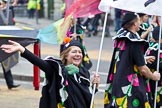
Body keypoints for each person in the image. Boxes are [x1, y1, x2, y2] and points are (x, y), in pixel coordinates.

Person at [0, 39, 100, 108]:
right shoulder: (57, 70)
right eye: (74, 52)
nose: (78, 54)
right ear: (65, 56)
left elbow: (84, 95)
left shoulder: (84, 73)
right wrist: (22, 50)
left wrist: (94, 87)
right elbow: (40, 63)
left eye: (80, 52)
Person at [104, 12, 160, 108]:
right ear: (134, 24)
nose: (140, 23)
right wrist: (154, 76)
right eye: (139, 21)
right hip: (131, 88)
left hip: (117, 83)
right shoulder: (135, 42)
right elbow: (142, 69)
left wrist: (143, 58)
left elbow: (125, 57)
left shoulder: (121, 37)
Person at [0, 0, 20, 89]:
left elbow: (12, 24)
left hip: (4, 41)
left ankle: (10, 83)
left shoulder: (8, 12)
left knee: (6, 64)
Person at [145, 26, 162, 108]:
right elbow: (155, 63)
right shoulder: (159, 48)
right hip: (157, 79)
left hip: (148, 78)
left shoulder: (149, 46)